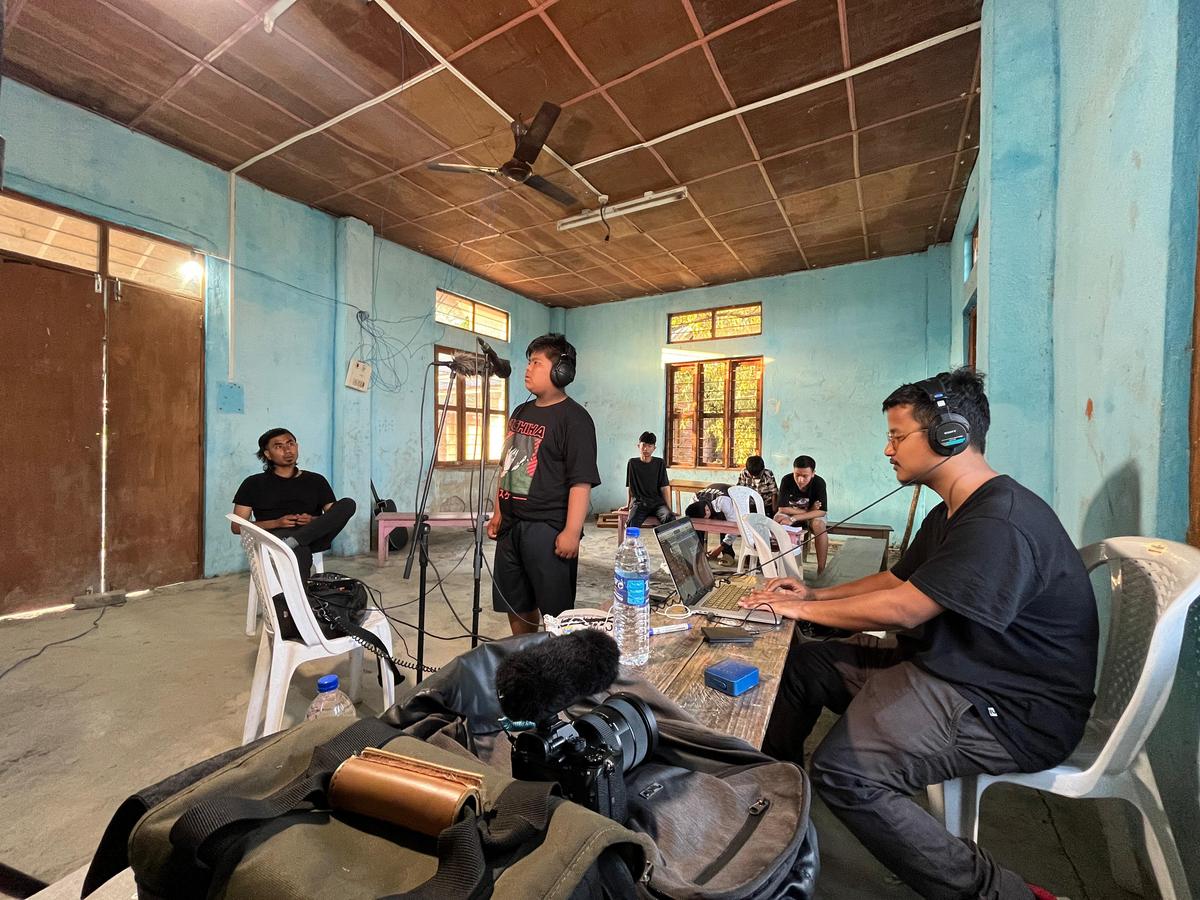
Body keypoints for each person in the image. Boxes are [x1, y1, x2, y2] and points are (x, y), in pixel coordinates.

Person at [739, 368, 1097, 900]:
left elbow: (904, 609)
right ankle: (767, 798)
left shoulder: (1000, 521)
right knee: (804, 666)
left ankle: (1003, 893)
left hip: (1007, 707)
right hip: (952, 669)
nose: (888, 450)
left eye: (897, 435)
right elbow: (894, 579)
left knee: (843, 770)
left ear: (949, 434)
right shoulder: (953, 510)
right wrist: (808, 596)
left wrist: (792, 614)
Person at [487, 334, 600, 636]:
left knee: (555, 612)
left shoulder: (575, 419)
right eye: (529, 362)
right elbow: (508, 468)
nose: (528, 369)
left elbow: (581, 481)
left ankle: (554, 666)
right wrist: (498, 511)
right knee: (516, 601)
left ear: (560, 371)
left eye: (536, 362)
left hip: (548, 530)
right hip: (512, 527)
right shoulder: (521, 413)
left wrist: (572, 532)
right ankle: (525, 655)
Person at [231, 428, 357, 575]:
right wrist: (276, 523)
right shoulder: (253, 483)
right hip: (276, 538)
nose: (287, 450)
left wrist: (313, 520)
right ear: (267, 454)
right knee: (299, 551)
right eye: (278, 446)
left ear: (296, 446)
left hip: (314, 536)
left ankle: (296, 540)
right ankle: (298, 593)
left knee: (348, 503)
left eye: (290, 444)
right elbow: (236, 527)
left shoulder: (316, 480)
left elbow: (333, 516)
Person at [775, 455, 830, 574]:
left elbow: (822, 511)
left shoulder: (819, 483)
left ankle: (821, 569)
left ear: (813, 473)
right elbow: (783, 508)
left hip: (803, 515)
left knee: (819, 524)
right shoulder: (787, 480)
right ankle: (779, 565)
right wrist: (810, 511)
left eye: (805, 476)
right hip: (799, 512)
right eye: (797, 475)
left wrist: (795, 517)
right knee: (778, 519)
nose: (800, 480)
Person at [623, 431, 675, 529]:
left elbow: (665, 487)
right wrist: (628, 504)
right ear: (639, 446)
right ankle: (632, 544)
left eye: (650, 446)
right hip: (639, 504)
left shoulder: (660, 463)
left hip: (657, 504)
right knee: (631, 524)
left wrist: (669, 508)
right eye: (644, 445)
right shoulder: (632, 463)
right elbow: (630, 486)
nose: (646, 449)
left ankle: (669, 544)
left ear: (654, 448)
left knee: (669, 518)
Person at [684, 484, 738, 566]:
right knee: (695, 525)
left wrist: (720, 547)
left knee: (725, 523)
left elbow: (734, 527)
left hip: (730, 497)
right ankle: (699, 554)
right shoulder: (694, 499)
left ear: (707, 509)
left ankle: (728, 554)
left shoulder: (723, 501)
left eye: (707, 511)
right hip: (713, 495)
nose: (707, 512)